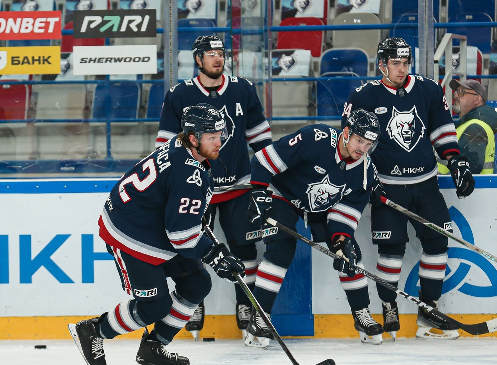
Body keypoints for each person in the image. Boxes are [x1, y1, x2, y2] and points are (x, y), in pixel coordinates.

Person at [68, 105, 245, 365]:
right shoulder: (189, 175)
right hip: (129, 234)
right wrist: (216, 254)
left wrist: (207, 243)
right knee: (154, 305)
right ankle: (93, 330)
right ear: (193, 137)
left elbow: (178, 213)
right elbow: (182, 238)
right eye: (211, 136)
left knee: (197, 283)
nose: (218, 141)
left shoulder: (180, 145)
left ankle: (154, 348)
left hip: (153, 226)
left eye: (219, 134)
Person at [341, 37, 475, 340]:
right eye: (396, 63)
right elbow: (352, 145)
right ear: (382, 65)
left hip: (426, 184)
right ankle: (389, 305)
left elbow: (442, 128)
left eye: (405, 63)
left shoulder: (428, 89)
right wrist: (367, 179)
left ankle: (429, 313)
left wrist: (455, 161)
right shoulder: (363, 96)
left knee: (438, 244)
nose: (402, 69)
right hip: (388, 188)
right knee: (391, 251)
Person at [155, 35, 273, 339]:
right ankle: (195, 304)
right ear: (198, 59)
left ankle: (245, 303)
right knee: (192, 247)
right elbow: (164, 146)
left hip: (238, 188)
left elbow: (261, 140)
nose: (217, 59)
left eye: (220, 53)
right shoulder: (179, 94)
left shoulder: (242, 89)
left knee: (244, 248)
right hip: (196, 187)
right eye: (210, 54)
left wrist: (265, 182)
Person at [244, 109, 385, 347]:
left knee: (351, 255)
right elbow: (264, 159)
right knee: (280, 249)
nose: (363, 148)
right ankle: (260, 318)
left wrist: (342, 241)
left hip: (319, 209)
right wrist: (258, 191)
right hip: (283, 195)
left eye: (369, 144)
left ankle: (362, 313)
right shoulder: (315, 138)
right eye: (360, 140)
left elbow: (345, 213)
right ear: (347, 132)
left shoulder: (365, 173)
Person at [437, 79, 497, 175]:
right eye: (456, 92)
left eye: (462, 92)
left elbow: (466, 171)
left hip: (455, 188)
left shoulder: (475, 127)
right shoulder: (467, 125)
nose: (456, 96)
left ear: (477, 99)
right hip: (451, 188)